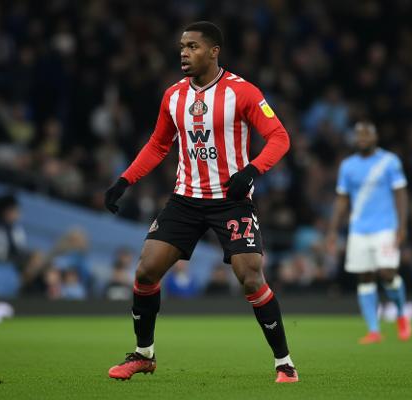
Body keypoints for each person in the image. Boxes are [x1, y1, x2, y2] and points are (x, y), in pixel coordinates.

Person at [104, 21, 297, 383]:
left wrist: (252, 170)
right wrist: (125, 180)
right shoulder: (173, 96)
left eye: (192, 46)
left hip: (231, 201)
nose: (184, 53)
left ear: (213, 51)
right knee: (145, 271)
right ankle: (144, 355)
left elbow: (279, 137)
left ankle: (284, 363)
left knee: (250, 277)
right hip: (186, 199)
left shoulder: (243, 92)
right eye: (182, 46)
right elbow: (158, 144)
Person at [326, 121, 412, 344]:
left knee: (387, 273)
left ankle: (401, 314)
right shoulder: (348, 166)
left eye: (367, 135)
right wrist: (333, 230)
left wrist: (402, 226)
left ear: (375, 137)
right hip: (358, 229)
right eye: (359, 135)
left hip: (385, 227)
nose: (362, 138)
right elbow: (342, 200)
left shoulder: (389, 161)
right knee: (364, 276)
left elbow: (401, 194)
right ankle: (374, 330)